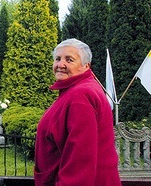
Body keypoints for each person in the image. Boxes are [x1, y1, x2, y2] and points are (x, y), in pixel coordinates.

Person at [34, 38, 120, 185]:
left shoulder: (80, 96)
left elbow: (80, 160)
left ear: (85, 66)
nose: (61, 65)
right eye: (57, 59)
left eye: (69, 60)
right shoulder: (75, 91)